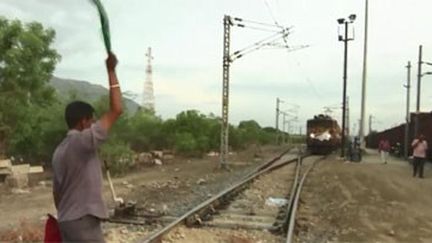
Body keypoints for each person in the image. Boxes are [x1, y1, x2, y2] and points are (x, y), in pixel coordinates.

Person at [52, 52, 122, 242]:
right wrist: (111, 71)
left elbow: (56, 194)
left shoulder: (59, 150)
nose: (94, 124)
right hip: (82, 221)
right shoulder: (81, 141)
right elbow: (116, 110)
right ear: (83, 122)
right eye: (92, 120)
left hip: (68, 220)